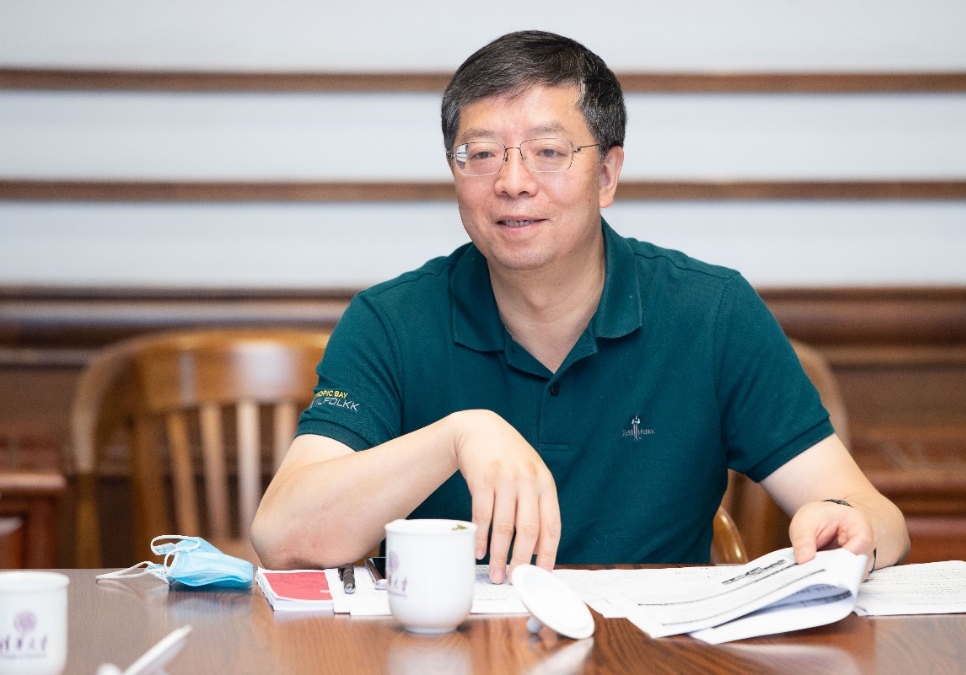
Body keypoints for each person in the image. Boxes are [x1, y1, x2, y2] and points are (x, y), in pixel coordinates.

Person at [251, 30, 909, 583]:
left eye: (548, 152)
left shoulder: (711, 312)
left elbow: (874, 514)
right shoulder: (391, 321)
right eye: (481, 154)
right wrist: (457, 437)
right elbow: (282, 536)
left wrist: (852, 527)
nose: (512, 182)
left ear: (608, 175)